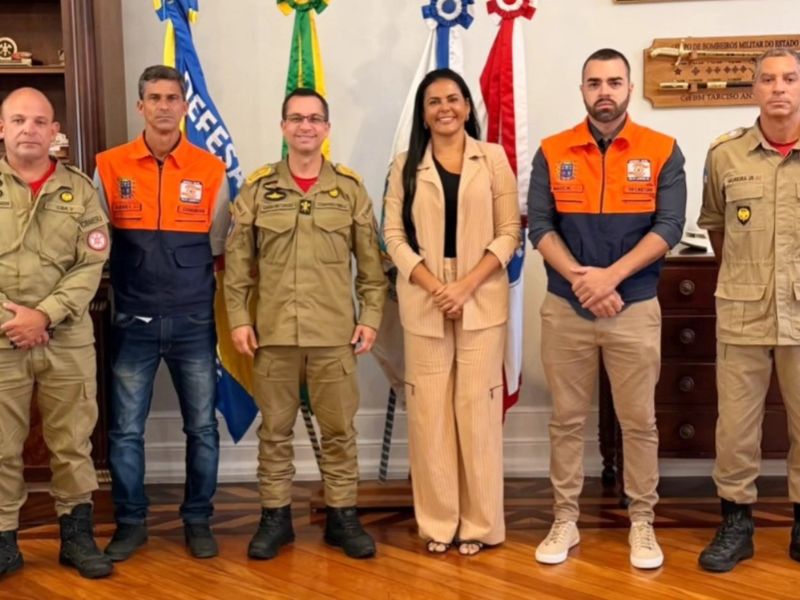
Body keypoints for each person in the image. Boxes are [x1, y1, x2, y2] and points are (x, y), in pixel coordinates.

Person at [528, 48, 686, 569]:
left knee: (638, 421)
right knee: (566, 420)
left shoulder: (662, 149)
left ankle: (643, 521)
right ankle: (564, 518)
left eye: (614, 82)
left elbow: (668, 227)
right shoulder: (553, 150)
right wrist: (584, 281)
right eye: (594, 82)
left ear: (629, 89)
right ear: (582, 90)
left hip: (632, 306)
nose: (604, 92)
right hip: (567, 307)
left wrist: (611, 278)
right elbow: (540, 227)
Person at [224, 88, 386, 560]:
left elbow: (371, 268)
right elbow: (237, 266)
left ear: (327, 128)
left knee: (339, 433)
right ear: (283, 128)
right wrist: (239, 319)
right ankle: (276, 519)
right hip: (273, 336)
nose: (305, 126)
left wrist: (370, 317)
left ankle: (342, 517)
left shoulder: (349, 190)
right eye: (296, 118)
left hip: (334, 336)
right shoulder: (258, 189)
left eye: (314, 118)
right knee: (274, 434)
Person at [383, 68, 520, 556]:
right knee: (430, 415)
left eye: (453, 99)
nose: (445, 108)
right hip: (425, 298)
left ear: (466, 107)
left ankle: (480, 526)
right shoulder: (405, 165)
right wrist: (435, 285)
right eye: (434, 101)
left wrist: (464, 286)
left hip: (480, 294)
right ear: (423, 114)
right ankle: (439, 524)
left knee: (477, 413)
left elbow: (510, 232)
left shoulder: (494, 159)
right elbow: (392, 236)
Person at [94, 65, 229, 561]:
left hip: (194, 320)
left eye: (172, 97)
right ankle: (131, 523)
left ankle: (198, 520)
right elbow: (95, 242)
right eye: (155, 97)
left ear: (184, 106)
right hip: (133, 320)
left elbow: (219, 247)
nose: (164, 106)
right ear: (141, 106)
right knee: (126, 431)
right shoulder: (109, 166)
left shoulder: (210, 169)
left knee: (203, 429)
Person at [0, 87, 112, 579]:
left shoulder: (80, 190)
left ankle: (77, 536)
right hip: (2, 339)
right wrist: (14, 320)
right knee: (1, 445)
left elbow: (92, 263)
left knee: (72, 443)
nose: (29, 129)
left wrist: (43, 316)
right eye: (18, 120)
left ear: (54, 131)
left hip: (66, 339)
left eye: (39, 121)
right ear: (2, 128)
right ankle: (4, 540)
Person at [697, 47, 800, 572]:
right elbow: (717, 229)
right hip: (743, 311)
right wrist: (748, 277)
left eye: (791, 79)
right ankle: (736, 525)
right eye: (769, 79)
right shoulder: (725, 155)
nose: (779, 88)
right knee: (736, 428)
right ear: (754, 89)